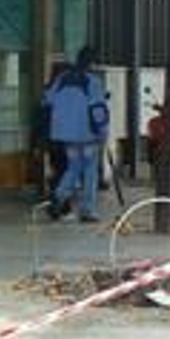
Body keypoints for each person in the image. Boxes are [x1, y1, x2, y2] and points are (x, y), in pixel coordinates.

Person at [43, 47, 109, 223]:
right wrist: (103, 131)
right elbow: (98, 110)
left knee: (74, 166)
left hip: (65, 134)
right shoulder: (92, 81)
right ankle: (87, 210)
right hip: (87, 134)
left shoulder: (62, 78)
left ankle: (58, 196)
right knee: (89, 171)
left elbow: (47, 99)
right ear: (92, 63)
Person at [34, 61, 70, 203]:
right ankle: (59, 202)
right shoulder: (64, 92)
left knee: (59, 168)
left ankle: (58, 198)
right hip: (62, 138)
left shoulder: (48, 91)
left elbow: (40, 117)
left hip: (50, 138)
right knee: (64, 170)